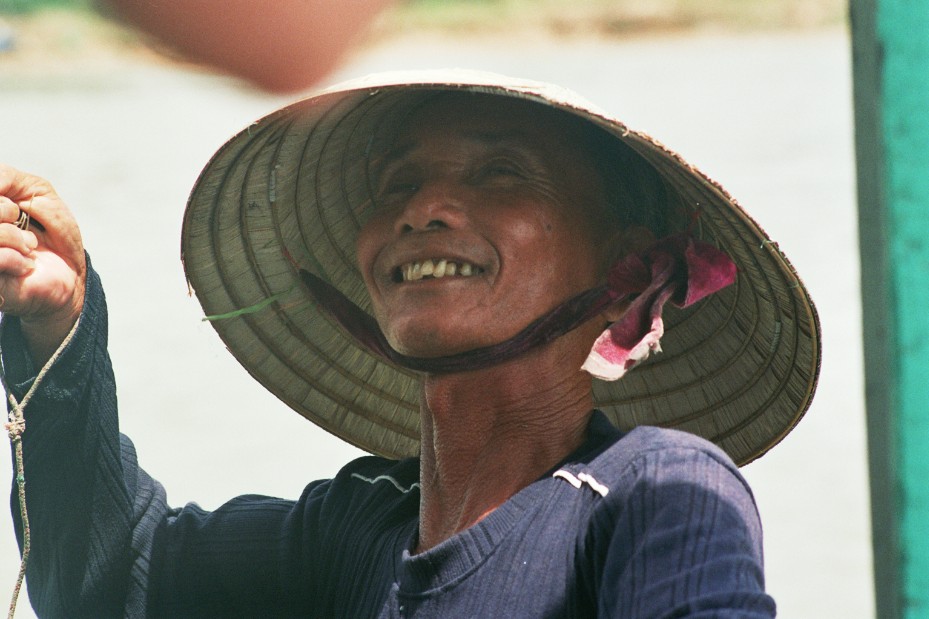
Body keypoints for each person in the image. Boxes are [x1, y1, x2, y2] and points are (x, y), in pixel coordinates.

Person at [0, 71, 820, 617]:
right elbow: (107, 579)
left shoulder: (653, 493)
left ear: (623, 265)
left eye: (501, 174)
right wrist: (55, 325)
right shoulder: (357, 531)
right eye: (398, 183)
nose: (424, 206)